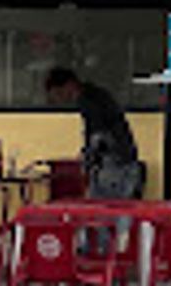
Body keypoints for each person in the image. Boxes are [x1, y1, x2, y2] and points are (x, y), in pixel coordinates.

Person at [44, 67, 142, 199]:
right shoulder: (96, 94)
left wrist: (86, 159)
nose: (59, 99)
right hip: (125, 161)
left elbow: (98, 136)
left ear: (69, 85)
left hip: (115, 164)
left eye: (58, 94)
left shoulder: (87, 101)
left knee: (102, 209)